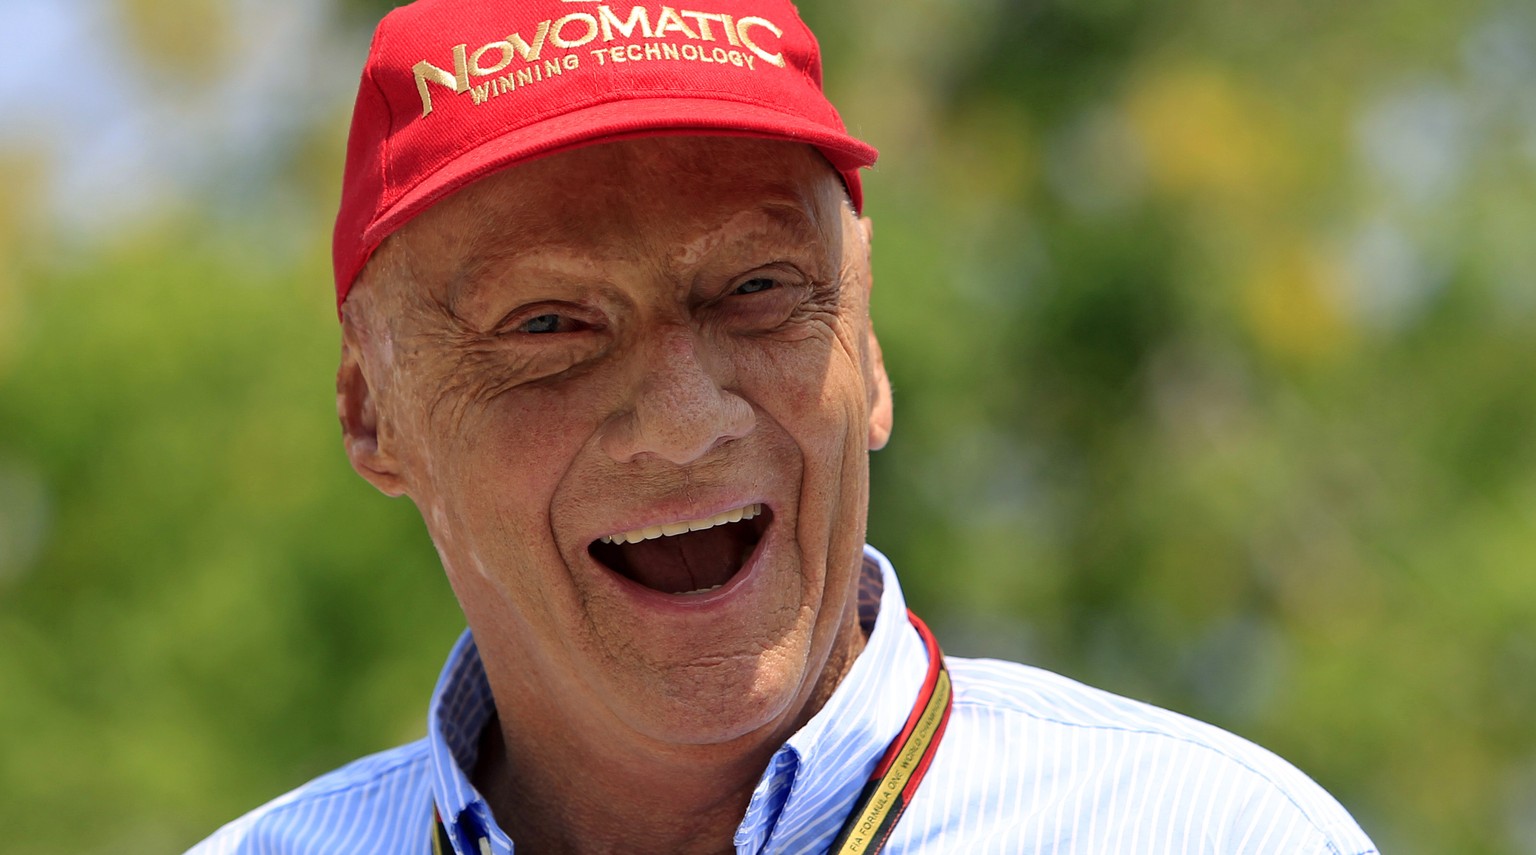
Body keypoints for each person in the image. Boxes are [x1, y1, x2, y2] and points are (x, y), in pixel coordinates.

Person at [190, 0, 1379, 852]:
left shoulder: (1208, 834)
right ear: (371, 412)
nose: (683, 423)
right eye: (549, 324)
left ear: (865, 352)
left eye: (757, 290)